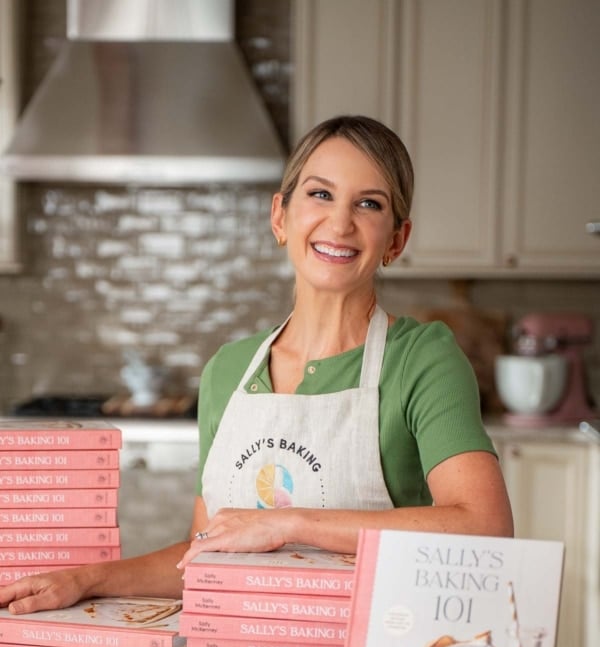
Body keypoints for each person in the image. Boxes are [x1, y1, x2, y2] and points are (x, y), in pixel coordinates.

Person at [0, 115, 513, 617]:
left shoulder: (421, 358)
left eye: (368, 203)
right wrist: (85, 580)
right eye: (320, 194)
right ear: (280, 217)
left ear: (395, 241)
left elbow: (485, 525)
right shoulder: (228, 370)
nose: (339, 222)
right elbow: (200, 557)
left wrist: (289, 523)